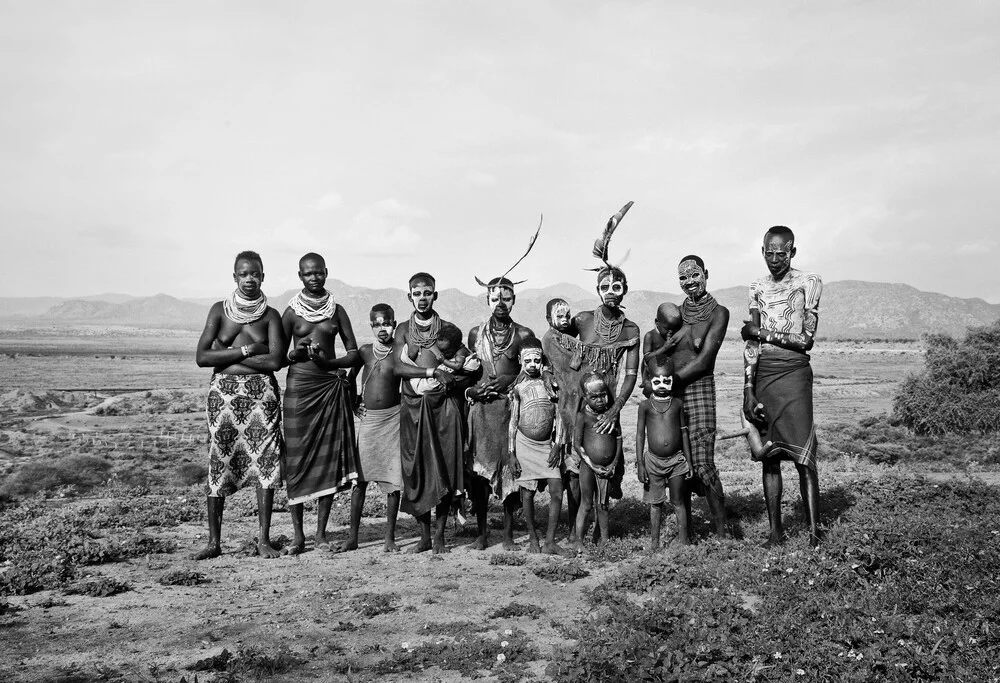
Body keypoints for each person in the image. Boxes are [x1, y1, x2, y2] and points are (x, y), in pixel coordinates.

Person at [193, 250, 286, 560]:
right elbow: (203, 358)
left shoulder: (271, 315)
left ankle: (263, 540)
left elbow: (275, 361)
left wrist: (227, 352)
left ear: (263, 276)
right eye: (243, 274)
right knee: (219, 460)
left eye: (255, 273)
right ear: (234, 277)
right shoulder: (219, 311)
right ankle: (213, 542)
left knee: (266, 463)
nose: (249, 278)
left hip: (262, 396)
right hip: (224, 396)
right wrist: (248, 349)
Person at [742, 226, 823, 547]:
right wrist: (748, 388)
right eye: (770, 253)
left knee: (805, 456)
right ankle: (775, 534)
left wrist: (760, 334)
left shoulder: (809, 282)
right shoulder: (756, 287)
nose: (776, 259)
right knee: (769, 457)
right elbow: (750, 342)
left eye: (783, 252)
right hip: (763, 374)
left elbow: (806, 340)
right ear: (762, 251)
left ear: (793, 252)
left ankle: (816, 533)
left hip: (794, 373)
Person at [279, 253, 360, 554]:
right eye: (307, 274)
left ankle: (320, 534)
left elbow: (354, 353)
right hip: (299, 386)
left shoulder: (337, 311)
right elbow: (280, 358)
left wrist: (330, 362)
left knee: (326, 462)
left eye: (318, 273)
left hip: (328, 387)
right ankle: (298, 537)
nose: (313, 278)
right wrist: (296, 354)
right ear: (300, 276)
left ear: (326, 273)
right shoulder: (290, 313)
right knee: (297, 460)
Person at [393, 272, 464, 554]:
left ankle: (440, 537)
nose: (422, 298)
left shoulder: (448, 329)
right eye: (417, 293)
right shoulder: (403, 330)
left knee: (443, 468)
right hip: (412, 406)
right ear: (409, 295)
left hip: (441, 409)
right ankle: (423, 537)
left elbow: (464, 362)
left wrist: (454, 377)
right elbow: (398, 368)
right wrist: (432, 371)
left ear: (435, 295)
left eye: (427, 293)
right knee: (416, 469)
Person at [466, 276, 536, 550]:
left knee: (510, 473)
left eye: (506, 298)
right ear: (487, 300)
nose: (500, 303)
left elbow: (531, 370)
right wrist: (473, 391)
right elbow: (468, 372)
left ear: (514, 300)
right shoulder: (475, 334)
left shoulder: (523, 334)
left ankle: (507, 536)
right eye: (495, 298)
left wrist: (509, 380)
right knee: (480, 475)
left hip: (510, 411)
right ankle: (482, 535)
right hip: (482, 412)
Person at [670, 255, 730, 537]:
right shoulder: (674, 314)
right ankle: (686, 534)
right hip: (671, 392)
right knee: (678, 460)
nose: (689, 282)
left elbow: (705, 360)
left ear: (706, 273)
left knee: (703, 460)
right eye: (683, 277)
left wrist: (669, 382)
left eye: (694, 275)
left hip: (699, 389)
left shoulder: (719, 313)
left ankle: (722, 532)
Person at [342, 303, 404, 553]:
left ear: (394, 324)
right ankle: (353, 537)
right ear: (371, 325)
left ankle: (389, 538)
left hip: (393, 420)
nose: (382, 328)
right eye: (377, 324)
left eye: (386, 323)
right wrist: (354, 402)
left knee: (393, 481)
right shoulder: (366, 352)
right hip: (369, 422)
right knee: (361, 481)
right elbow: (349, 378)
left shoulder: (399, 352)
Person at [507, 338, 566, 555]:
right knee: (527, 494)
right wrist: (512, 453)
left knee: (557, 490)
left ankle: (550, 541)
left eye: (536, 360)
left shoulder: (550, 385)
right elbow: (513, 422)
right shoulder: (518, 389)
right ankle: (533, 538)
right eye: (528, 360)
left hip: (546, 446)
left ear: (542, 361)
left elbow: (560, 417)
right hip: (524, 445)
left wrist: (558, 445)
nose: (532, 364)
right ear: (521, 362)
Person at [636, 357, 693, 549]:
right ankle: (655, 544)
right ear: (649, 381)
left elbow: (684, 432)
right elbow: (639, 435)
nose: (662, 385)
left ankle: (684, 543)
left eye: (666, 381)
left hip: (676, 460)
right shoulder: (645, 406)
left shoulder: (677, 404)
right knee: (656, 503)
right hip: (653, 462)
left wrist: (689, 461)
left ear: (672, 381)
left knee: (678, 501)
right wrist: (640, 464)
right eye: (657, 381)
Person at [540, 298, 584, 535]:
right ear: (549, 320)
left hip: (576, 407)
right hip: (563, 412)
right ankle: (569, 527)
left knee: (574, 474)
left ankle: (576, 526)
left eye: (568, 314)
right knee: (568, 473)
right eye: (560, 315)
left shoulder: (571, 341)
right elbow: (567, 368)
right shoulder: (550, 340)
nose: (565, 319)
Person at [571, 373, 621, 554]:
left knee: (603, 504)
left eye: (603, 395)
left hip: (607, 469)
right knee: (586, 504)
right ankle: (578, 541)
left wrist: (613, 463)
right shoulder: (582, 416)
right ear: (585, 397)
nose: (600, 400)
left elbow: (619, 438)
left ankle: (605, 541)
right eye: (594, 397)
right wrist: (592, 465)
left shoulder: (611, 414)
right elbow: (576, 444)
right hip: (588, 467)